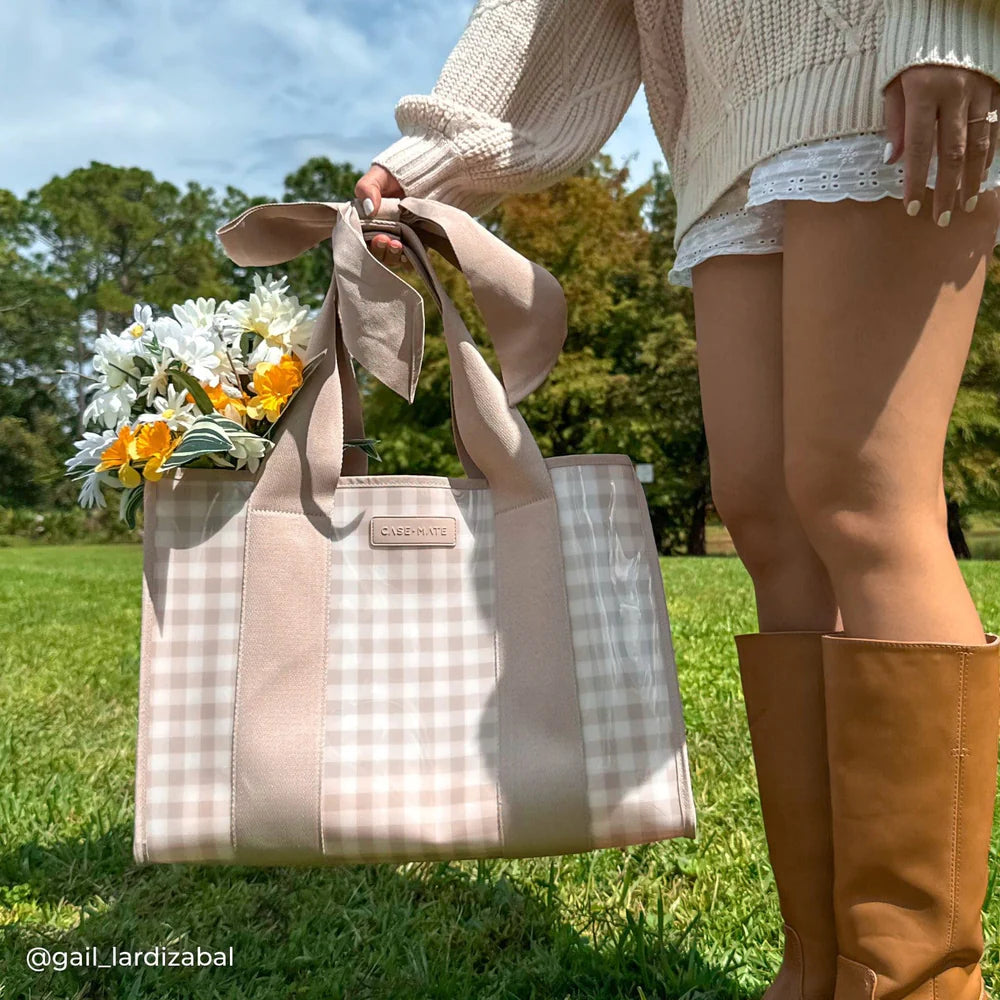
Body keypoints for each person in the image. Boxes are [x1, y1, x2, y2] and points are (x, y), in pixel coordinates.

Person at [355, 3, 1000, 1000]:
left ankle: (914, 984)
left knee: (862, 496)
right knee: (767, 518)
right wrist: (436, 156)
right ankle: (816, 968)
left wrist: (946, 20)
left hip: (878, 55)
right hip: (724, 126)